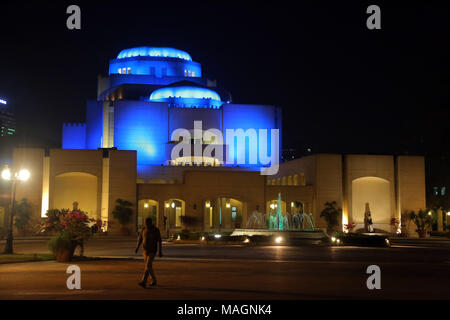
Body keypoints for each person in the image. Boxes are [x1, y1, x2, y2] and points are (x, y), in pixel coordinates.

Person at [135, 217, 162, 288]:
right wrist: (137, 247)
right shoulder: (144, 229)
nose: (147, 224)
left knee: (148, 265)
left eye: (148, 223)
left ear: (151, 223)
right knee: (148, 266)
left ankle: (149, 280)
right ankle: (147, 281)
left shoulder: (155, 230)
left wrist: (160, 251)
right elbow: (140, 239)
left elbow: (159, 241)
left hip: (152, 250)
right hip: (145, 250)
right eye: (146, 223)